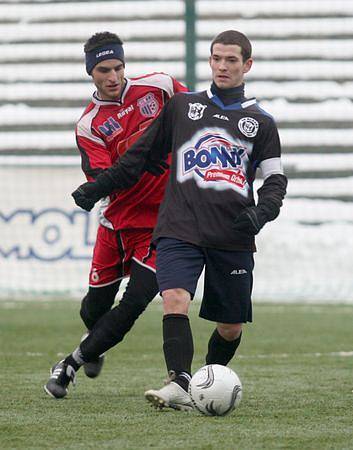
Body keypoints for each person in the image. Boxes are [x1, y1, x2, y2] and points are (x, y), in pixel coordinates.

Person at [71, 30, 288, 411]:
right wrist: (96, 188)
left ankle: (204, 385)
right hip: (179, 226)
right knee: (173, 299)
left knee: (230, 326)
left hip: (232, 234)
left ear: (247, 66)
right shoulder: (183, 107)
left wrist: (262, 211)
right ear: (209, 61)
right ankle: (179, 383)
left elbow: (274, 180)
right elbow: (137, 157)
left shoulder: (261, 121)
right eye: (216, 58)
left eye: (231, 60)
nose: (222, 66)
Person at [44, 31, 187, 399]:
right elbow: (108, 180)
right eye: (104, 69)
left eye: (119, 67)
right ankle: (94, 344)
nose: (113, 76)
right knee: (94, 310)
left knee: (135, 301)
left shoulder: (160, 87)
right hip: (116, 224)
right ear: (90, 71)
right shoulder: (89, 126)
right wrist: (145, 152)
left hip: (162, 225)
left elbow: (194, 116)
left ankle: (70, 364)